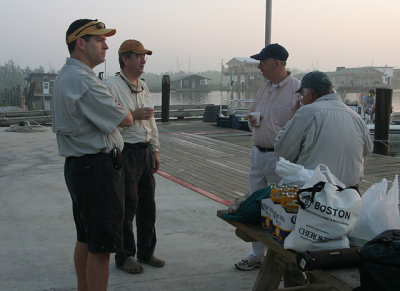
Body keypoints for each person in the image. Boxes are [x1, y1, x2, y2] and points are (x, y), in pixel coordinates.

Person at [51, 19, 133, 291]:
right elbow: (126, 118)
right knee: (101, 247)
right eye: (99, 40)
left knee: (86, 238)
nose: (106, 45)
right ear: (80, 43)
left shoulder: (67, 76)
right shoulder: (84, 81)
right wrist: (120, 107)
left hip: (80, 167)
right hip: (97, 170)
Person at [235, 43, 301, 271]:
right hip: (258, 153)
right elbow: (252, 113)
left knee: (281, 207)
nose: (259, 67)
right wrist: (252, 120)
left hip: (281, 159)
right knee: (256, 202)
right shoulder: (264, 88)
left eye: (263, 62)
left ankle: (280, 257)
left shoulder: (298, 90)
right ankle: (257, 255)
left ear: (277, 63)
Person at [105, 39, 164, 274]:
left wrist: (155, 149)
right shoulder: (110, 87)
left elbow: (151, 121)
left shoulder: (143, 86)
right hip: (126, 152)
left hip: (145, 151)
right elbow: (107, 121)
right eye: (138, 56)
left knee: (148, 206)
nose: (143, 60)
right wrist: (133, 114)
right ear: (124, 59)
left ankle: (147, 252)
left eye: (144, 57)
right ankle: (125, 256)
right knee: (127, 206)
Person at [275, 71, 373, 188]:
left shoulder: (307, 112)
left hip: (316, 194)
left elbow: (283, 151)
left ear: (310, 94)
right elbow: (368, 149)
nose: (301, 100)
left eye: (302, 95)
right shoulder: (356, 116)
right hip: (351, 192)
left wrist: (293, 117)